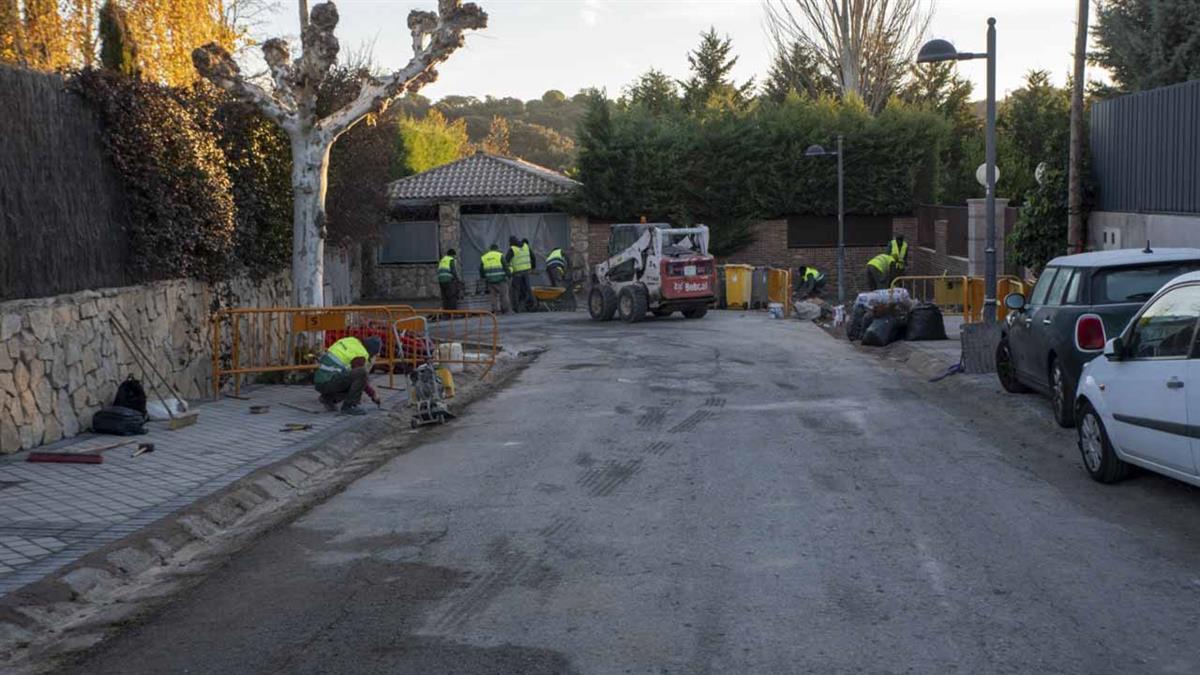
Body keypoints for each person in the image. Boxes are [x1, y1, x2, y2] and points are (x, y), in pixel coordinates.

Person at [314, 335, 381, 416]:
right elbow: (360, 378)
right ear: (372, 351)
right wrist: (373, 394)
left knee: (349, 379)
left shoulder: (351, 341)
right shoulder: (360, 353)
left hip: (320, 381)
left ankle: (328, 398)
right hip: (329, 381)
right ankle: (349, 406)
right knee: (362, 373)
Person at [505, 236, 535, 312]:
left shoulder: (512, 249)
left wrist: (508, 271)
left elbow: (506, 261)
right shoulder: (526, 246)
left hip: (517, 273)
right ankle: (531, 305)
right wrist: (533, 267)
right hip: (526, 271)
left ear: (511, 242)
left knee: (516, 290)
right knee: (527, 288)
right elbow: (533, 257)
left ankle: (516, 308)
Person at [479, 243, 511, 314]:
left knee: (493, 296)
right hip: (501, 279)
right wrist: (509, 275)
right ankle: (505, 310)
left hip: (490, 280)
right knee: (504, 295)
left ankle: (495, 310)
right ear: (497, 249)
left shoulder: (484, 257)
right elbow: (505, 266)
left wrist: (483, 277)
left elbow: (481, 269)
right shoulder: (499, 255)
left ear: (490, 249)